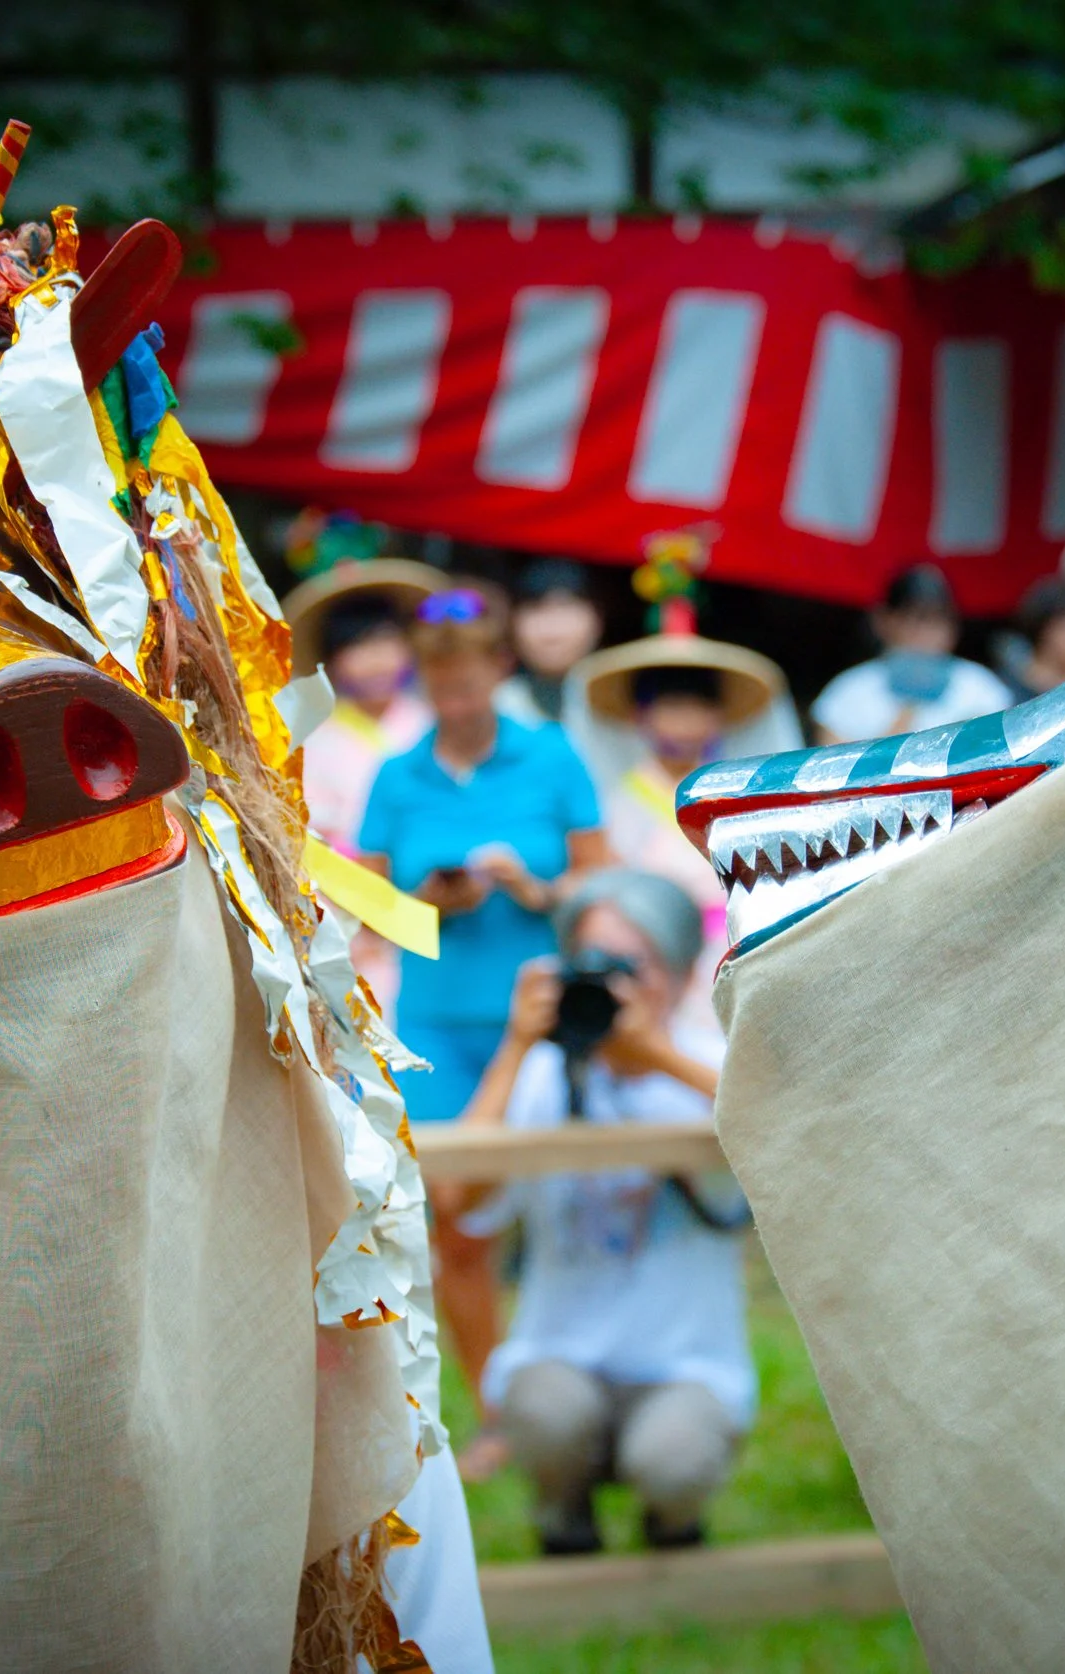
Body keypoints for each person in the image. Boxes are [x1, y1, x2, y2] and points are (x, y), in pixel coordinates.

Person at [356, 582, 611, 1441]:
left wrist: (540, 890)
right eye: (440, 688)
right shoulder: (398, 775)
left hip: (542, 1021)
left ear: (500, 670)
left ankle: (588, 1396)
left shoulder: (552, 757)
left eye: (469, 685)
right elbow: (370, 913)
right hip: (434, 1023)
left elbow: (603, 887)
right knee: (458, 1224)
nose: (456, 703)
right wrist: (425, 900)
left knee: (567, 1219)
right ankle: (499, 1413)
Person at [444, 870, 752, 1557]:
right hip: (560, 1358)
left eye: (630, 966)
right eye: (590, 965)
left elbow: (786, 1136)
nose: (610, 986)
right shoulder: (542, 1075)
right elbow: (459, 1202)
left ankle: (673, 1526)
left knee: (674, 1460)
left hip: (686, 1366)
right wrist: (518, 1043)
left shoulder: (717, 1069)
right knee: (543, 1412)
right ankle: (564, 1520)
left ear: (676, 973)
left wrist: (656, 1058)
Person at [562, 634, 800, 1009]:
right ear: (640, 715)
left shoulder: (736, 794)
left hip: (733, 952)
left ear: (718, 715)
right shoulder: (618, 803)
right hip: (651, 960)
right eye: (672, 706)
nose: (687, 720)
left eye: (699, 707)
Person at [282, 558, 447, 856]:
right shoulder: (314, 739)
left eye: (386, 642)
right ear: (331, 661)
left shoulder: (433, 719)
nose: (375, 660)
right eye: (356, 647)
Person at [809, 564, 1014, 744]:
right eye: (914, 620)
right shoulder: (846, 691)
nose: (925, 635)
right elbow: (833, 775)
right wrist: (907, 711)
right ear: (884, 621)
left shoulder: (982, 688)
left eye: (936, 621)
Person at [497, 558, 606, 726]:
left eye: (566, 607)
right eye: (535, 608)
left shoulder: (625, 706)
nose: (551, 632)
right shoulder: (494, 705)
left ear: (598, 619)